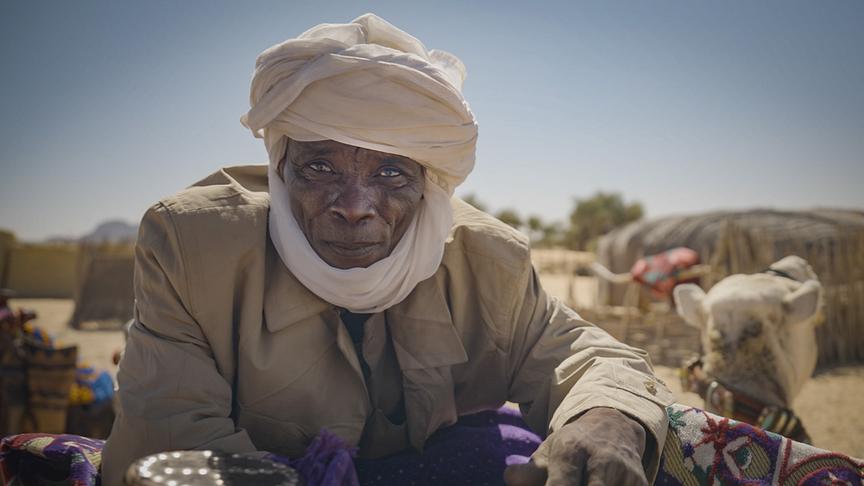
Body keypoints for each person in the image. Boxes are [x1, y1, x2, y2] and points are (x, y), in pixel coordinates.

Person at [102, 14, 672, 485]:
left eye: (391, 173)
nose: (355, 206)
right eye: (320, 167)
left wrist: (606, 418)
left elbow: (587, 356)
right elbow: (167, 441)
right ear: (281, 166)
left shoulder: (487, 260)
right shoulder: (192, 247)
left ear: (429, 184)